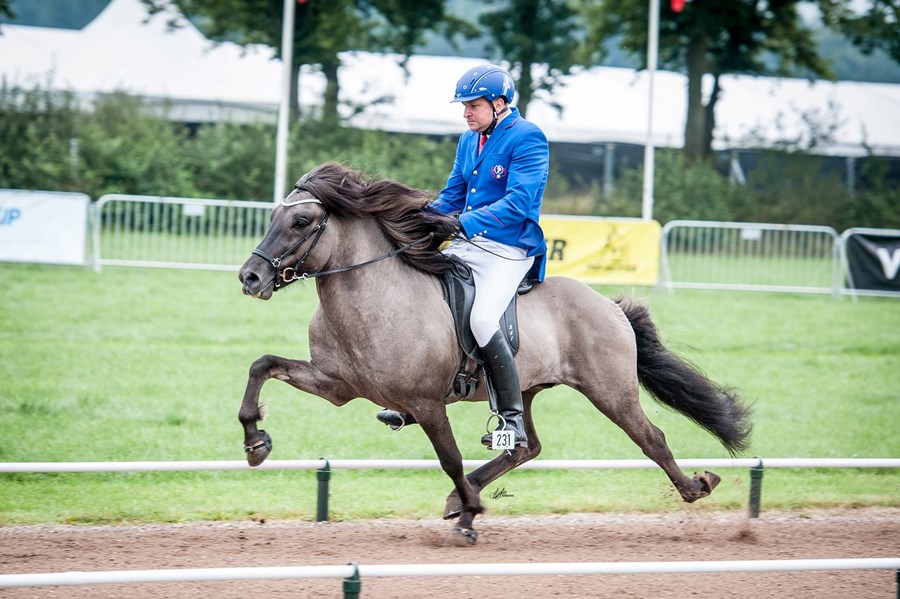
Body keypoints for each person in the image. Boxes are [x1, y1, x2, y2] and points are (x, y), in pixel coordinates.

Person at [377, 64, 550, 449]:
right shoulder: (468, 140)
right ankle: (416, 395)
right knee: (425, 298)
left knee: (483, 317)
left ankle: (511, 421)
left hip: (508, 247)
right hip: (468, 242)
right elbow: (453, 194)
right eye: (464, 106)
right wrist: (420, 220)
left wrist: (460, 224)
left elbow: (520, 202)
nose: (466, 113)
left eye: (473, 105)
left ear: (499, 103)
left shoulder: (528, 138)